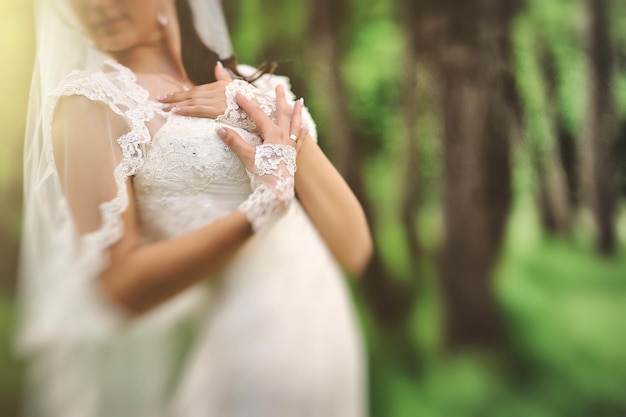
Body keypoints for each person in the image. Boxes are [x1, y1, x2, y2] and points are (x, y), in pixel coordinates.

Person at [17, 0, 373, 416]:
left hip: (329, 338)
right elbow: (117, 285)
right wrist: (257, 214)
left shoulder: (249, 86)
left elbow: (354, 247)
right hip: (249, 350)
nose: (96, 5)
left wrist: (262, 116)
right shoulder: (92, 103)